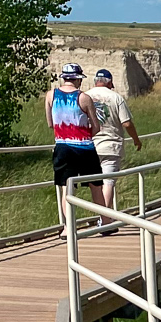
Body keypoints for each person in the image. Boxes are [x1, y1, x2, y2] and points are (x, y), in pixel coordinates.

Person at [44, 62, 101, 221]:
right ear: (78, 79)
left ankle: (68, 227)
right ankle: (105, 220)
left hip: (62, 147)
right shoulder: (84, 97)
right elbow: (96, 126)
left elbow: (50, 124)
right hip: (85, 147)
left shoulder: (51, 95)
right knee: (95, 185)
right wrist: (84, 135)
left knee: (66, 189)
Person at [88, 67, 142, 214]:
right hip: (111, 145)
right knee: (108, 183)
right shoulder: (116, 97)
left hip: (89, 145)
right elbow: (127, 123)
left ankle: (101, 216)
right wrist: (136, 140)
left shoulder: (85, 96)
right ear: (109, 82)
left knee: (95, 185)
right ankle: (105, 218)